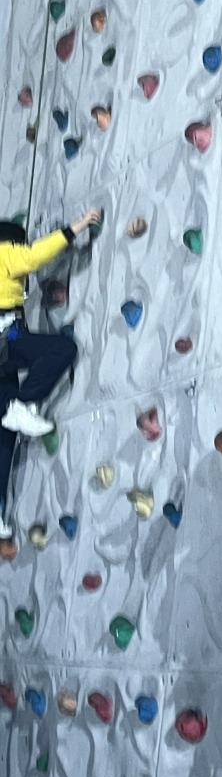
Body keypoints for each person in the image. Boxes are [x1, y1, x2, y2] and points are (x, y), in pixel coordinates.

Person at [0, 208, 101, 538]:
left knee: (5, 436)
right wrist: (76, 227)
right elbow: (33, 256)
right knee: (62, 350)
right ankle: (17, 404)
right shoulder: (5, 253)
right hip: (6, 336)